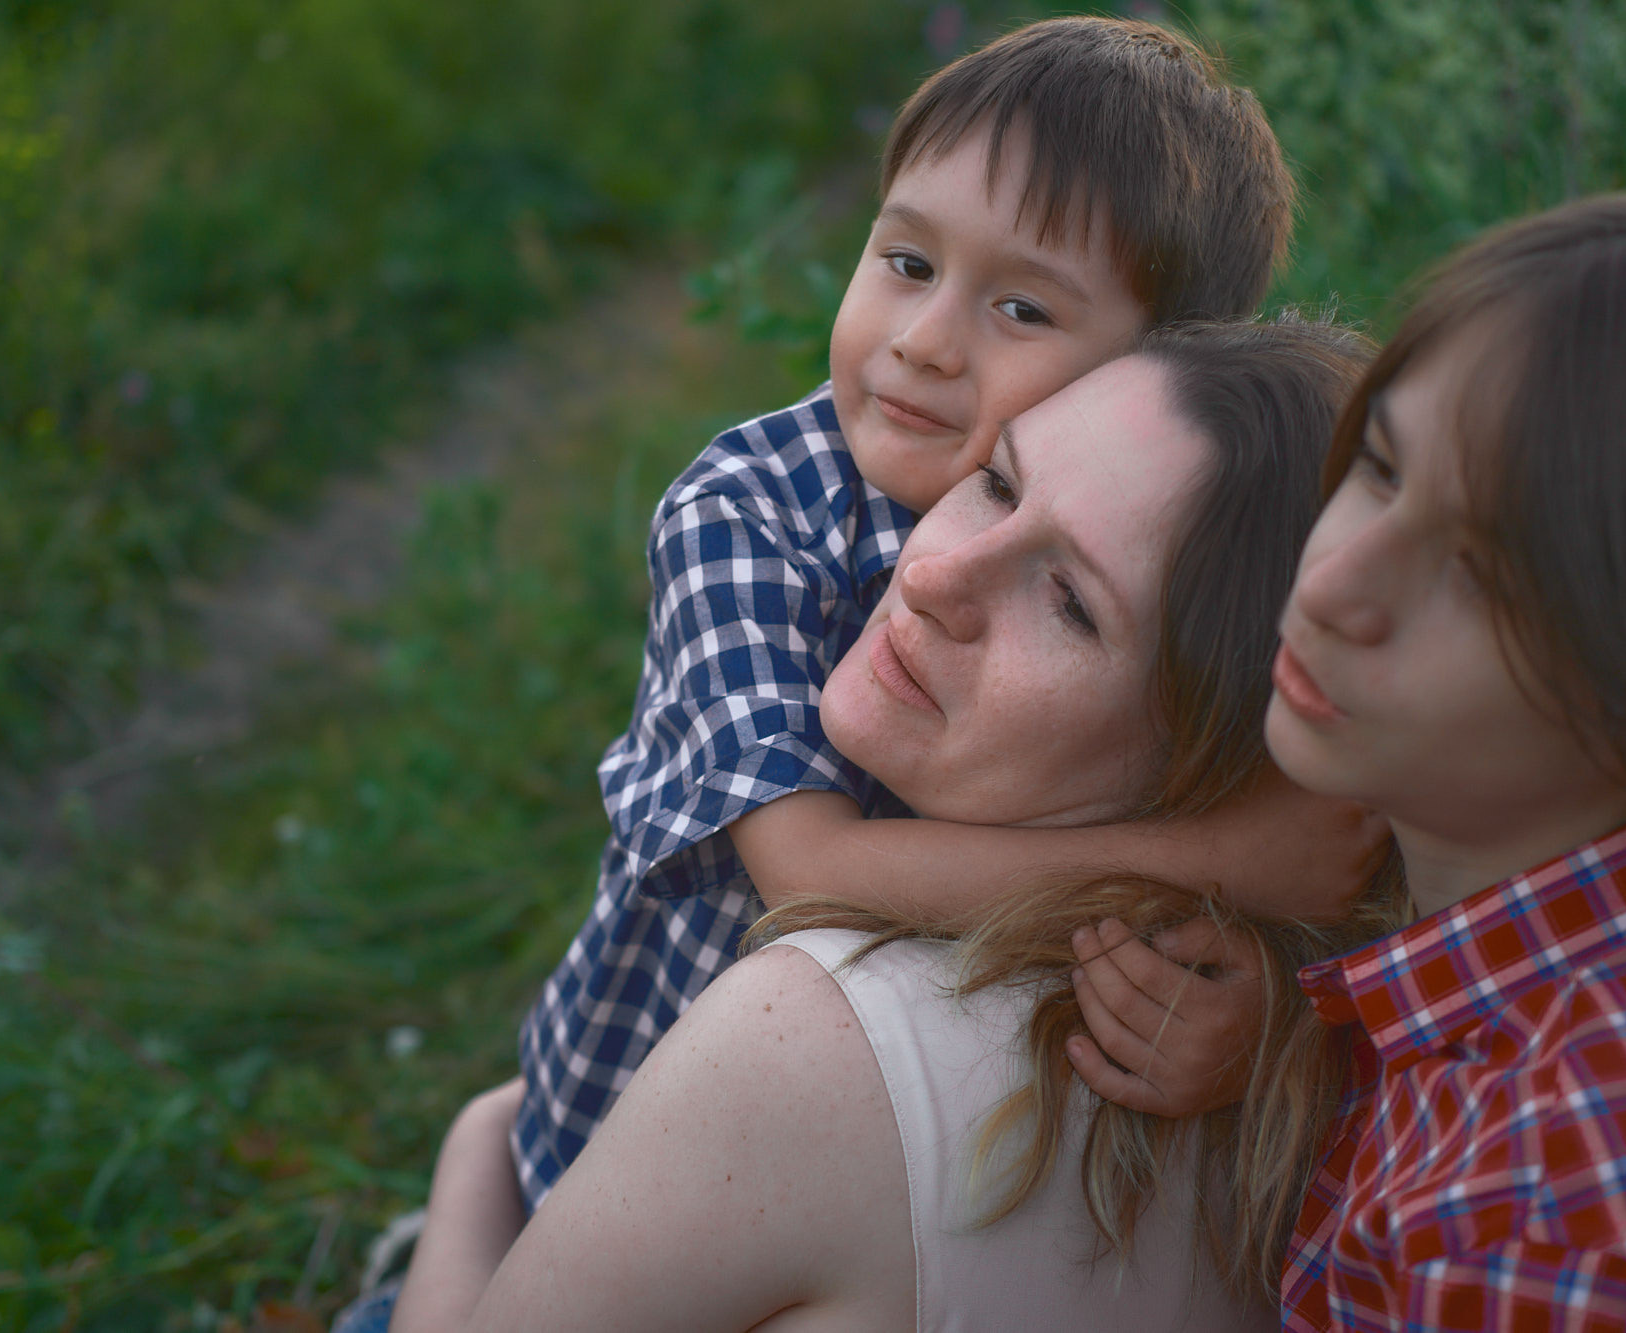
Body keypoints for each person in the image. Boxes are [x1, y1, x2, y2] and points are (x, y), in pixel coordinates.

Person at [507, 12, 1375, 1230]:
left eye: (1020, 310)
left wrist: (1241, 1017)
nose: (920, 345)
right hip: (608, 1136)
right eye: (906, 264)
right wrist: (1225, 860)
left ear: (1155, 367)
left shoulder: (1165, 583)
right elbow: (806, 876)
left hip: (872, 1173)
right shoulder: (746, 511)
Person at [400, 316, 1398, 1330]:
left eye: (1068, 603)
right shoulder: (1308, 1066)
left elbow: (809, 874)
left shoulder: (817, 1043)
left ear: (1217, 766)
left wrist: (473, 1155)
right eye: (998, 484)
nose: (928, 578)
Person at [1075, 183, 1626, 1327]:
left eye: (1477, 575)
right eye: (1376, 464)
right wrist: (1287, 1064)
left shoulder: (1566, 1220)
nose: (1328, 584)